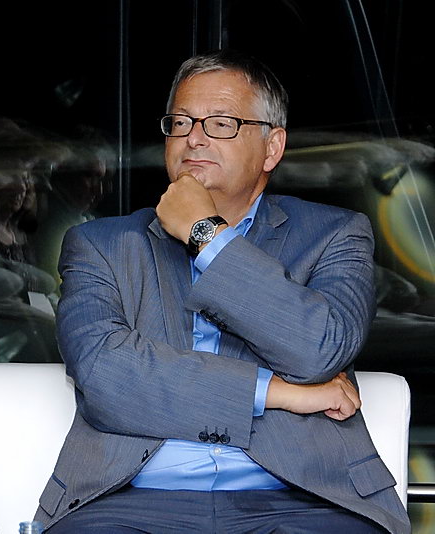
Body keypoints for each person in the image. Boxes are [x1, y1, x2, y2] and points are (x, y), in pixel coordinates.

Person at [34, 50, 410, 533]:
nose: (194, 137)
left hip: (305, 499)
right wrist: (278, 393)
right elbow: (106, 375)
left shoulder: (335, 234)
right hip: (128, 501)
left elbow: (321, 349)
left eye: (221, 123)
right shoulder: (100, 244)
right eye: (181, 122)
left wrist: (206, 236)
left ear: (272, 147)